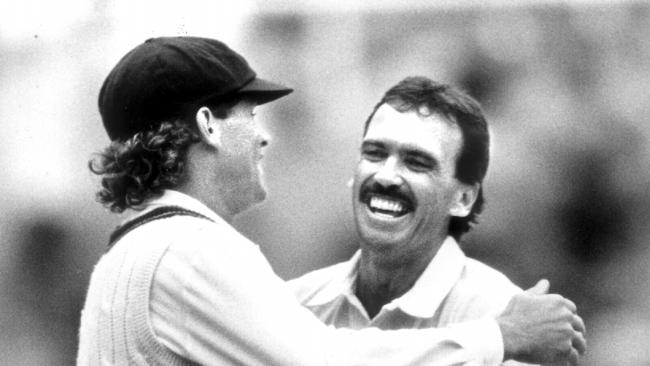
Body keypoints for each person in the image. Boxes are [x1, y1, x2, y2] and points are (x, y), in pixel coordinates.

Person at [77, 37, 585, 365]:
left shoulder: (131, 252)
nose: (263, 137)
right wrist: (501, 336)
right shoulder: (192, 251)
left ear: (465, 195)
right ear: (208, 126)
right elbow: (324, 362)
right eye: (250, 115)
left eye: (418, 161)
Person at [289, 77, 587, 365]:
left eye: (416, 162)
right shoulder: (293, 303)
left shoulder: (504, 315)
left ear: (464, 199)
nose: (386, 175)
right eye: (375, 153)